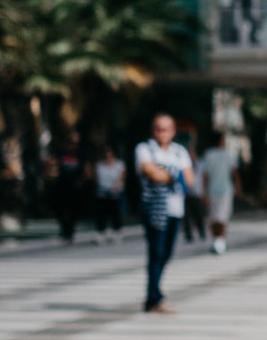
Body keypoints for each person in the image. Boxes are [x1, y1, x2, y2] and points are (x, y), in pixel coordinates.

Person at [136, 111, 195, 313]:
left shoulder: (180, 151)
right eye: (158, 129)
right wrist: (173, 175)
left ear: (173, 131)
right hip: (153, 209)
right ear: (153, 131)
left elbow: (189, 180)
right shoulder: (144, 149)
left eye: (166, 129)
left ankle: (155, 293)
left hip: (175, 209)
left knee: (167, 253)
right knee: (156, 251)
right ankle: (154, 297)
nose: (162, 133)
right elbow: (151, 172)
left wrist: (165, 173)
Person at [199, 129, 236, 254]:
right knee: (221, 217)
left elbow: (205, 176)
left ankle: (218, 241)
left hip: (213, 190)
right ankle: (219, 241)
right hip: (225, 190)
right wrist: (239, 188)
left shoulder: (208, 154)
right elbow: (235, 174)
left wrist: (204, 192)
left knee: (215, 217)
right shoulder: (227, 154)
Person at [50, 125, 86, 244]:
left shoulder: (80, 153)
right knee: (60, 209)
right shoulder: (62, 152)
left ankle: (70, 233)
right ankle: (64, 230)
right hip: (61, 185)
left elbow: (86, 168)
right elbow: (54, 164)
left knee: (72, 211)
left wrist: (81, 181)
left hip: (74, 186)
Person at [91, 142, 127, 238]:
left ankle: (117, 230)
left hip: (114, 192)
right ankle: (101, 231)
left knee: (115, 213)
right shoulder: (99, 165)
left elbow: (122, 178)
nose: (108, 158)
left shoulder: (119, 165)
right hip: (102, 192)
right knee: (101, 213)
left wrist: (118, 186)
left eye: (110, 155)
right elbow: (96, 178)